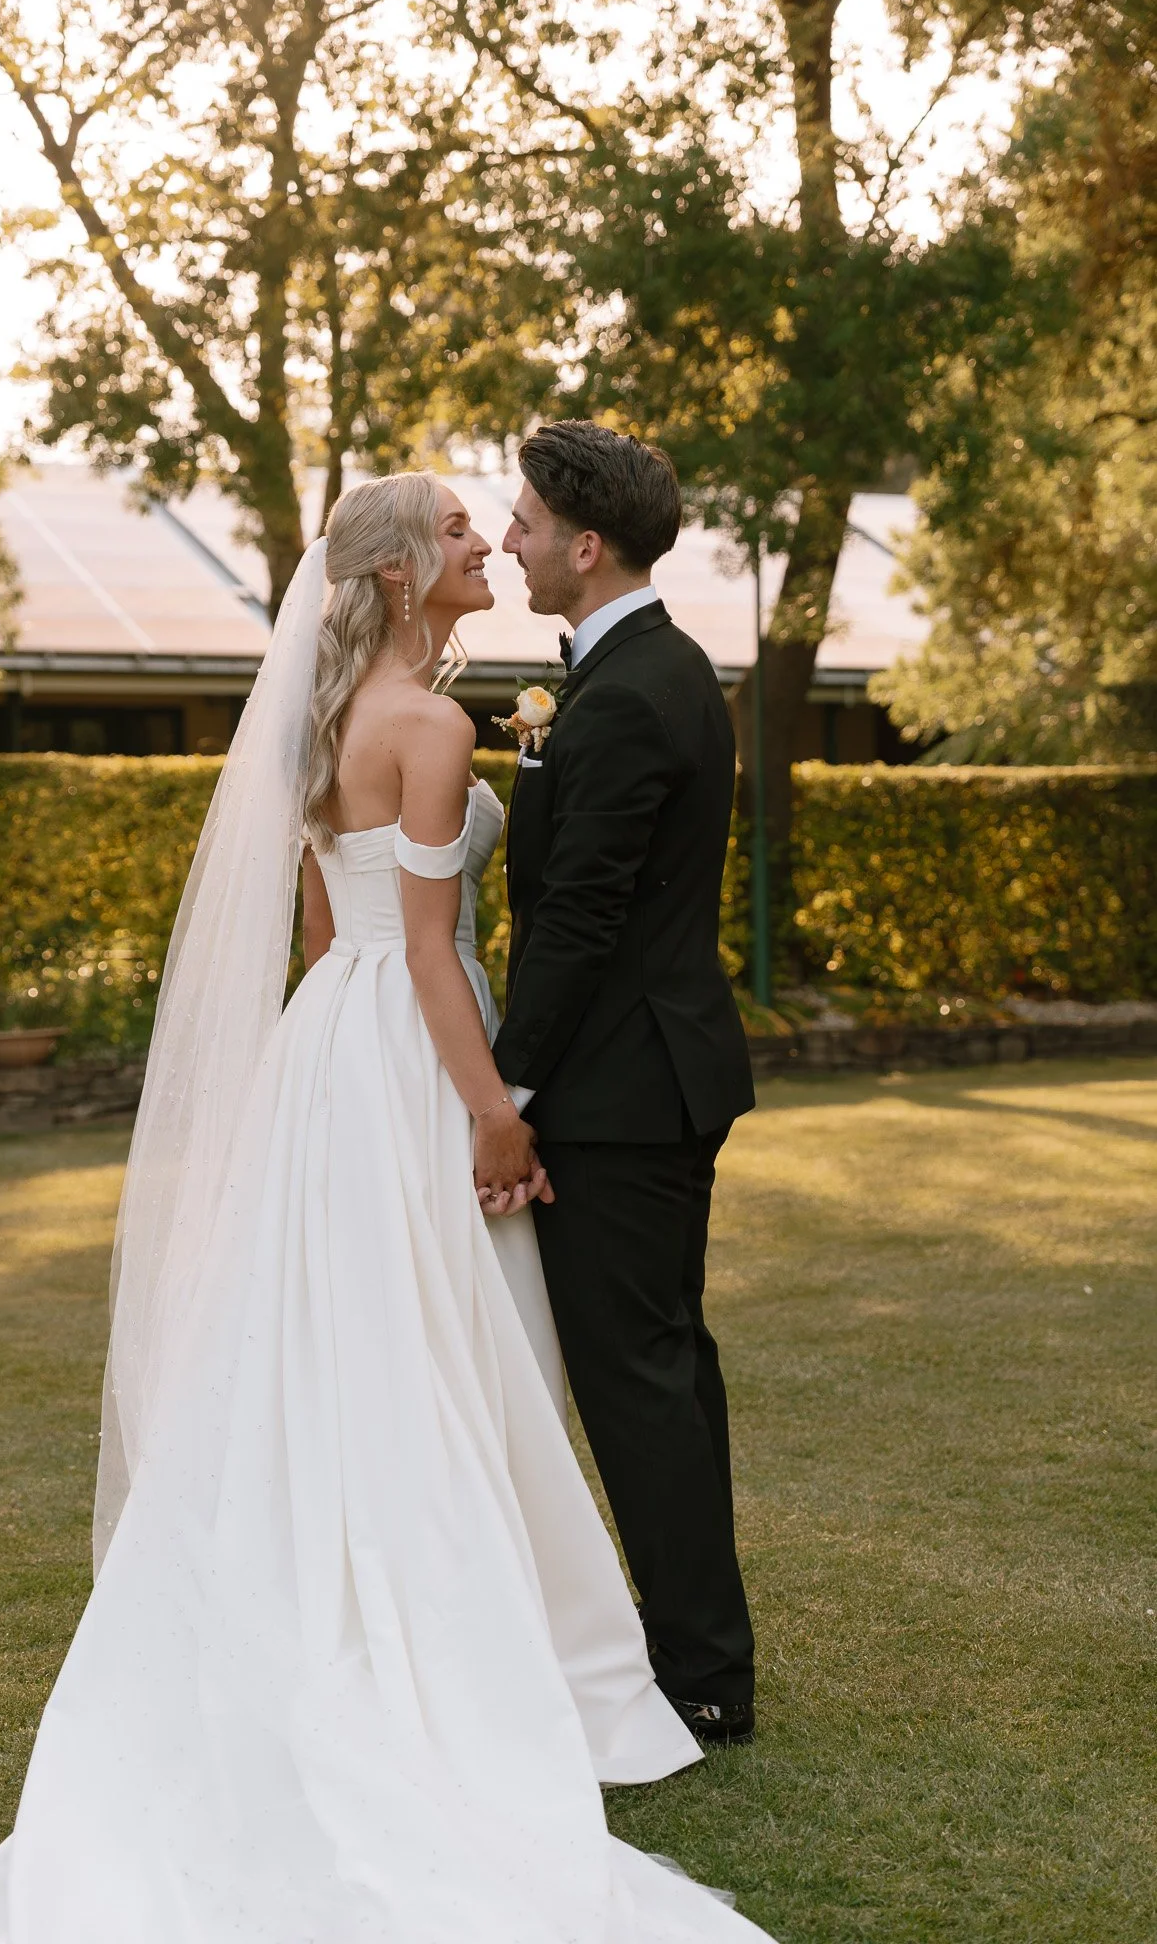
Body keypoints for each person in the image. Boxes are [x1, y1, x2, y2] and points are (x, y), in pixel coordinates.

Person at [0, 471, 772, 1943]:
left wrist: (352, 1053)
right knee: (454, 1344)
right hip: (420, 1047)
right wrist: (493, 1108)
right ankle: (488, 1643)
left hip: (331, 1050)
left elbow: (330, 927)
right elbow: (430, 955)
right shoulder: (428, 727)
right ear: (386, 578)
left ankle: (326, 1603)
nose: (479, 539)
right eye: (446, 529)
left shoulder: (317, 725)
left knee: (337, 1336)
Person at [493, 422, 758, 1747]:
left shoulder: (638, 691)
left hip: (621, 1095)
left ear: (584, 545)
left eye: (525, 525)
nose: (507, 542)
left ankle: (703, 1674)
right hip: (646, 1082)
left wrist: (504, 1096)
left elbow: (581, 922)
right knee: (659, 1372)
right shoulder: (641, 673)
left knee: (639, 1379)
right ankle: (694, 1649)